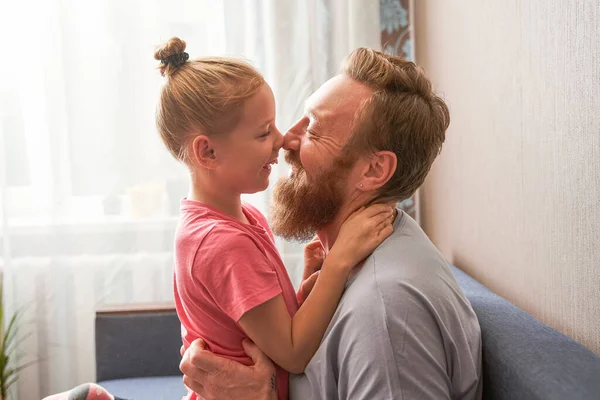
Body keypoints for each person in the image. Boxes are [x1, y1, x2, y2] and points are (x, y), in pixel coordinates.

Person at [178, 48, 483, 400]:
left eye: (314, 130)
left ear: (373, 170)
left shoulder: (384, 314)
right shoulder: (351, 264)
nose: (286, 140)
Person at [156, 37, 395, 400]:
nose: (282, 140)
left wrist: (304, 286)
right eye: (263, 132)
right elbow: (294, 353)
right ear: (207, 151)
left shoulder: (239, 218)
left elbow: (259, 330)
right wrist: (339, 262)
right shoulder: (224, 243)